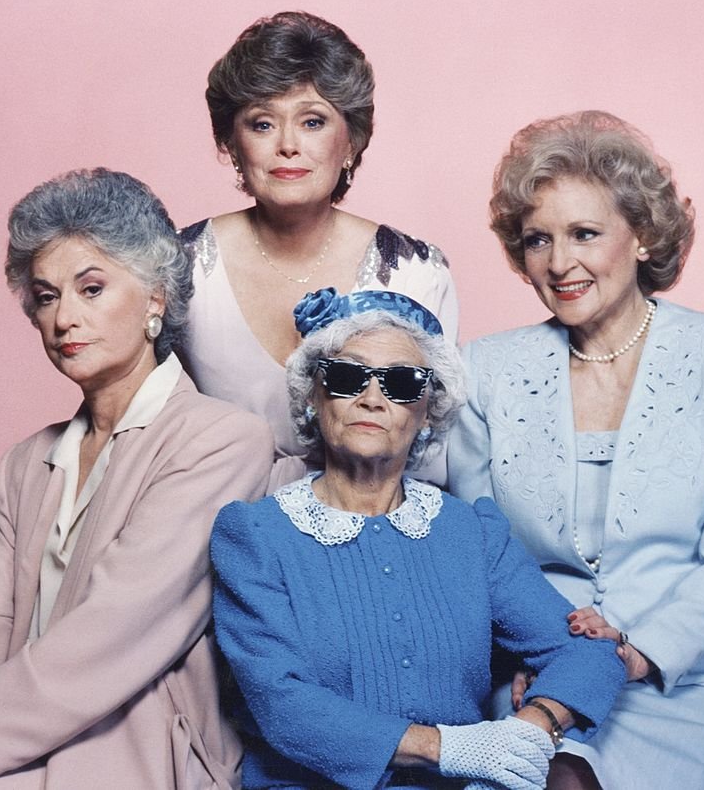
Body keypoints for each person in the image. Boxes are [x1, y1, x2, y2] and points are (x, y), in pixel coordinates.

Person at [0, 169, 273, 790]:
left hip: (136, 740)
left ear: (156, 297)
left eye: (92, 288)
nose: (64, 318)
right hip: (9, 731)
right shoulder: (28, 460)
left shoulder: (221, 440)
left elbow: (119, 625)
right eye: (46, 296)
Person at [447, 111, 704, 789]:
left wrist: (633, 652)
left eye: (584, 234)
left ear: (643, 236)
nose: (559, 262)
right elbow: (481, 554)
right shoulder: (485, 369)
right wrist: (544, 656)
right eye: (537, 239)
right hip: (539, 664)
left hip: (682, 676)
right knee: (550, 774)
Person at [210, 287, 626, 789]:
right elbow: (282, 703)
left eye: (401, 383)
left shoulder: (471, 533)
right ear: (314, 397)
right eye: (346, 377)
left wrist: (531, 730)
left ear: (429, 409)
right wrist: (449, 746)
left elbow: (587, 650)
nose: (371, 398)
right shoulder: (254, 538)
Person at [179, 11, 458, 490]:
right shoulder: (181, 266)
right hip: (213, 520)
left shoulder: (414, 271)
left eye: (312, 121)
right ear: (232, 143)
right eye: (262, 124)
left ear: (351, 140)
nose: (288, 145)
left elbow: (430, 453)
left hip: (369, 527)